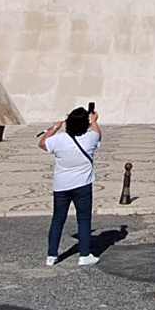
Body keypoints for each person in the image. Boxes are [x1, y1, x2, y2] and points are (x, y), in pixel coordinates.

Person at [39, 104, 102, 265]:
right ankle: (84, 255)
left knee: (58, 219)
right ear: (85, 124)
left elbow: (42, 143)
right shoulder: (90, 138)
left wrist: (54, 128)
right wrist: (94, 120)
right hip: (82, 185)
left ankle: (51, 255)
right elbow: (98, 133)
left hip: (61, 186)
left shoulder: (59, 140)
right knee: (84, 219)